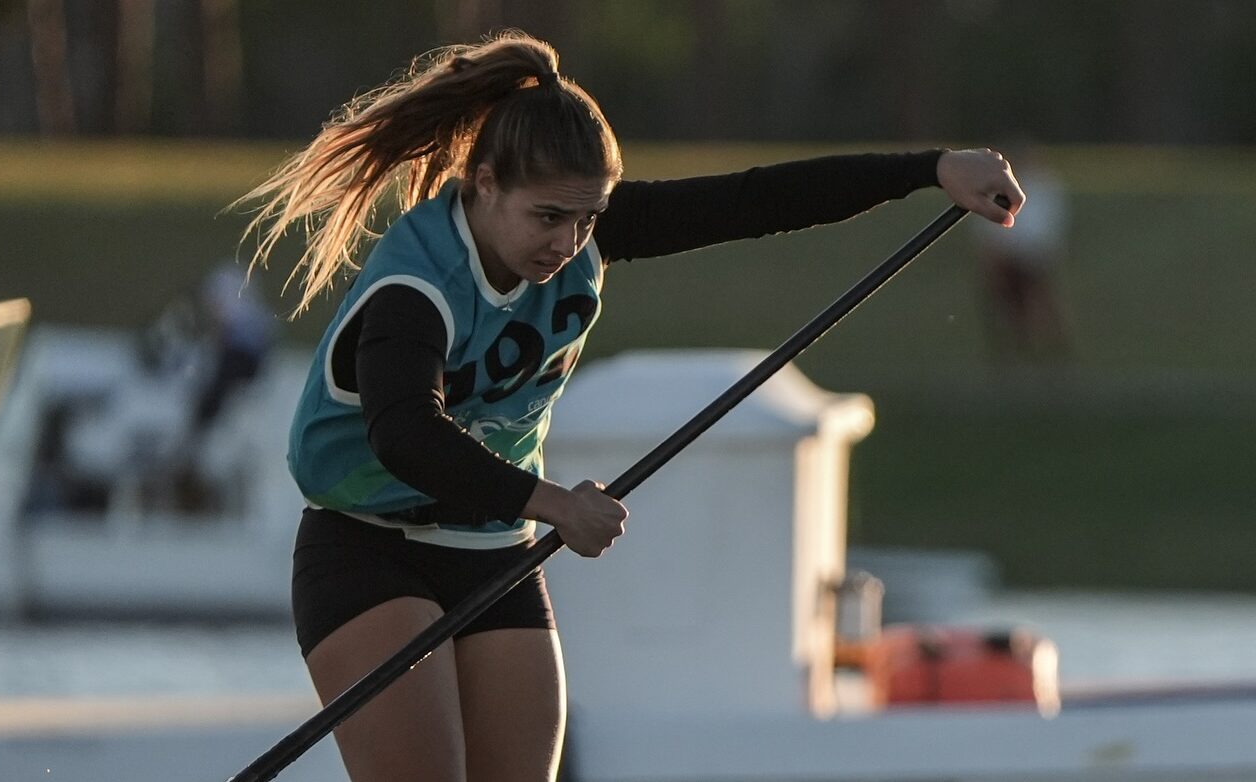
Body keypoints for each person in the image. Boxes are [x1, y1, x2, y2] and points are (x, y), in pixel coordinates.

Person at [236, 31, 1024, 782]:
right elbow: (405, 432)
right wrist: (554, 504)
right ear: (483, 186)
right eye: (548, 218)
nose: (567, 244)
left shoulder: (582, 231)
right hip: (367, 549)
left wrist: (930, 169)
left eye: (586, 219)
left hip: (490, 550)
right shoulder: (415, 291)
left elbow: (754, 201)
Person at [973, 146, 1071, 363]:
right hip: (1007, 259)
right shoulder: (999, 189)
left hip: (1032, 258)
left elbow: (1046, 227)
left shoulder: (1042, 187)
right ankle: (1012, 355)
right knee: (1006, 309)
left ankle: (1053, 355)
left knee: (1040, 307)